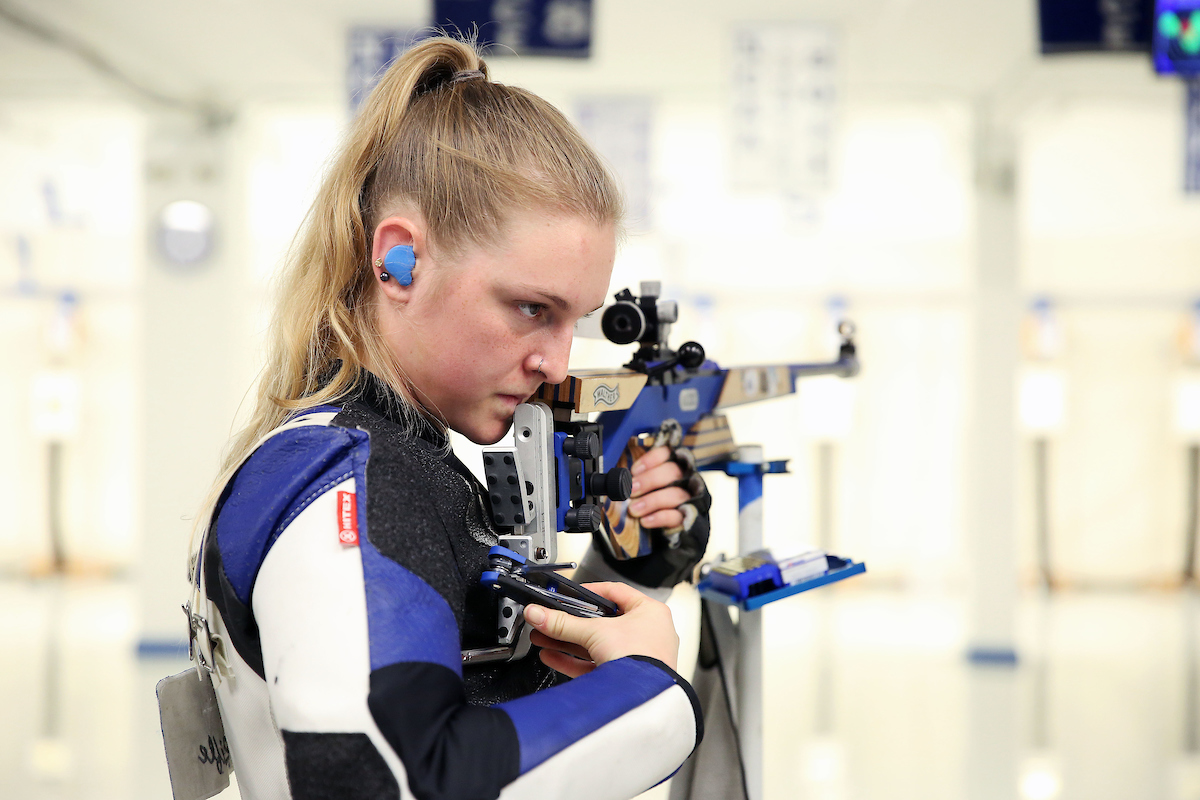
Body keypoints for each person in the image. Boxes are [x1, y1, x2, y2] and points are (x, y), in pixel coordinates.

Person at [190, 36, 712, 800]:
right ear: (401, 261)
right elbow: (390, 776)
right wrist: (646, 686)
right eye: (531, 308)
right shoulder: (356, 480)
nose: (557, 365)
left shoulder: (400, 460)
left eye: (574, 321)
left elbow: (471, 699)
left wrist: (628, 570)